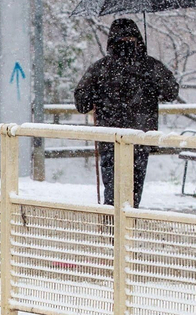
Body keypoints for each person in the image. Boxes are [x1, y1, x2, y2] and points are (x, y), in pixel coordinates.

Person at [73, 17, 179, 207]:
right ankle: (128, 227)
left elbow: (81, 102)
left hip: (109, 138)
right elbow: (171, 92)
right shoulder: (149, 66)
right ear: (138, 39)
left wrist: (97, 96)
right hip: (140, 138)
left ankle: (112, 230)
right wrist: (152, 78)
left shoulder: (101, 68)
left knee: (113, 192)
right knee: (134, 192)